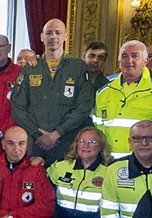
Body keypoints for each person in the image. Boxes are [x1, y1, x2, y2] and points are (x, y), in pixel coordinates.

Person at [11, 20, 96, 164]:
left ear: (65, 36)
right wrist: (37, 133)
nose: (53, 37)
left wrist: (57, 133)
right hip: (35, 143)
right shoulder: (31, 68)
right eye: (49, 33)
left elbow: (84, 106)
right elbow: (17, 106)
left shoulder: (78, 67)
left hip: (67, 142)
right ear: (42, 37)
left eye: (58, 33)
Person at [92, 41, 152, 157]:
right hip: (108, 161)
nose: (129, 60)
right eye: (124, 56)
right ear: (119, 61)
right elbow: (97, 128)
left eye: (134, 56)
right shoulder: (104, 90)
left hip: (143, 162)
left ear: (145, 61)